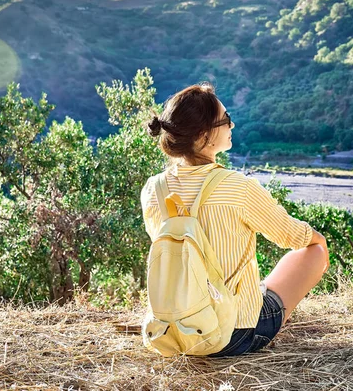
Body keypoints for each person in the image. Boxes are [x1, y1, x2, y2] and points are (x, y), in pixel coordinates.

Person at [140, 82, 329, 356]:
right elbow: (292, 236)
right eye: (226, 120)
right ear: (205, 134)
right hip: (233, 334)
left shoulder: (154, 189)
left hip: (174, 333)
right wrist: (318, 239)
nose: (233, 125)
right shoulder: (236, 186)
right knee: (313, 251)